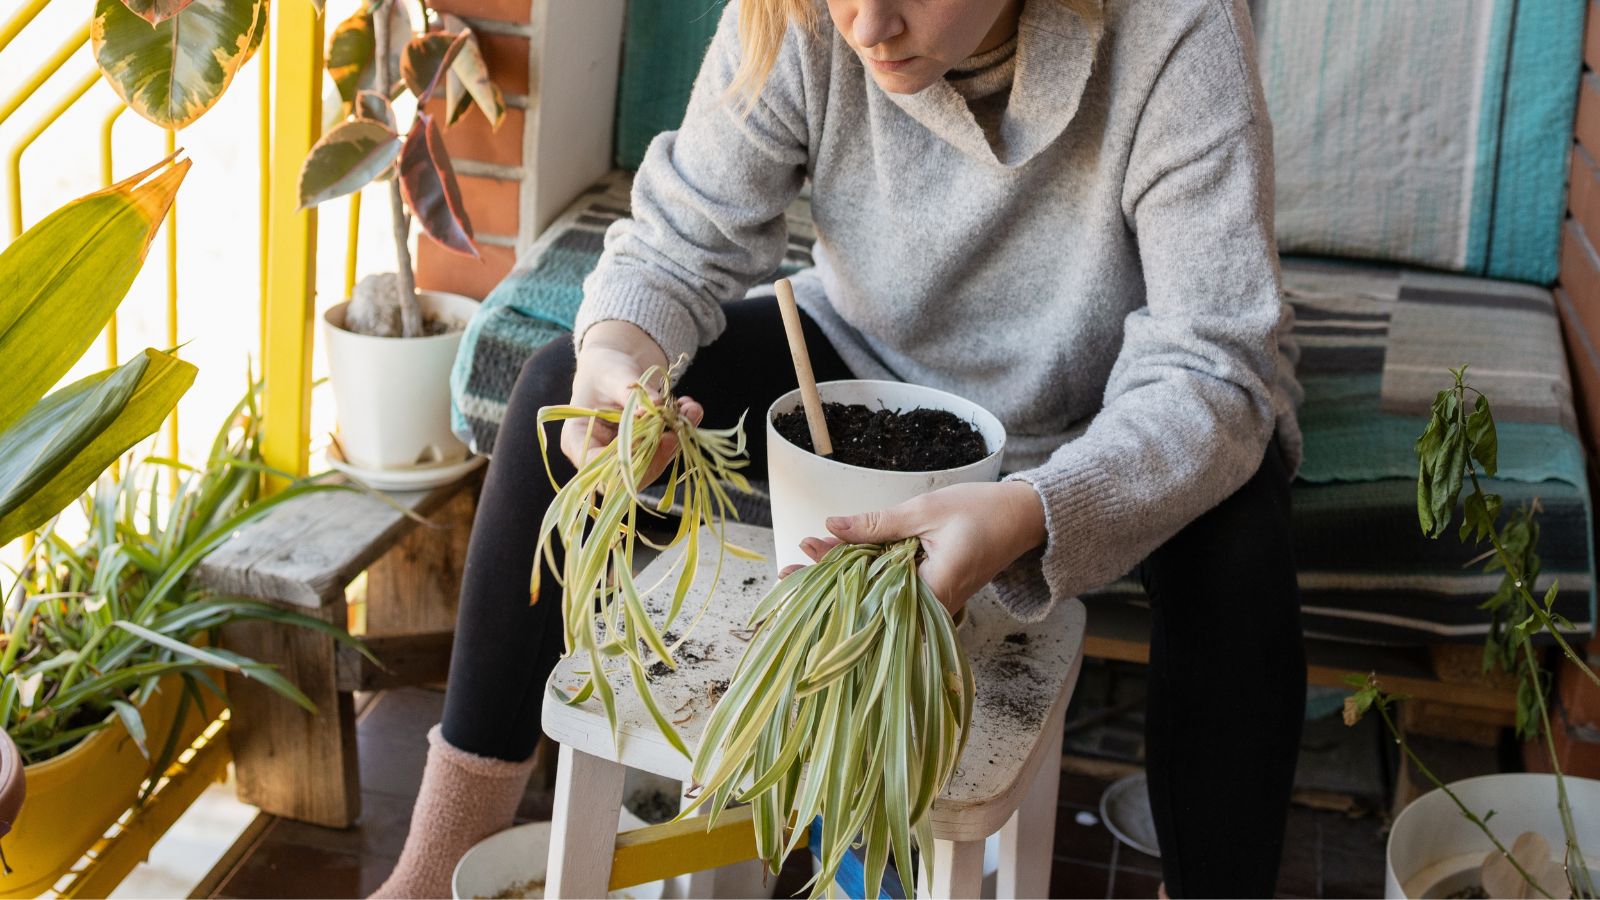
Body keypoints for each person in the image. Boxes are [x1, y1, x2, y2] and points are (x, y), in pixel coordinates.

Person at [374, 0, 1306, 896]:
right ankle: (434, 866)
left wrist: (1035, 509)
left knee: (1241, 540)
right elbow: (677, 244)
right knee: (551, 388)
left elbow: (1213, 363)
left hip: (1106, 404)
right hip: (858, 354)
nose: (866, 25)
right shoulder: (794, 10)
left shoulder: (1181, 24)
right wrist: (620, 358)